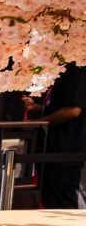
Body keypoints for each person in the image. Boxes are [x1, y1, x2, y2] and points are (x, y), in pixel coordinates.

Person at [39, 64, 86, 209]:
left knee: (61, 206)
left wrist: (38, 121)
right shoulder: (65, 67)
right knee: (51, 201)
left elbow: (73, 111)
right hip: (54, 148)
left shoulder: (79, 67)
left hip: (65, 149)